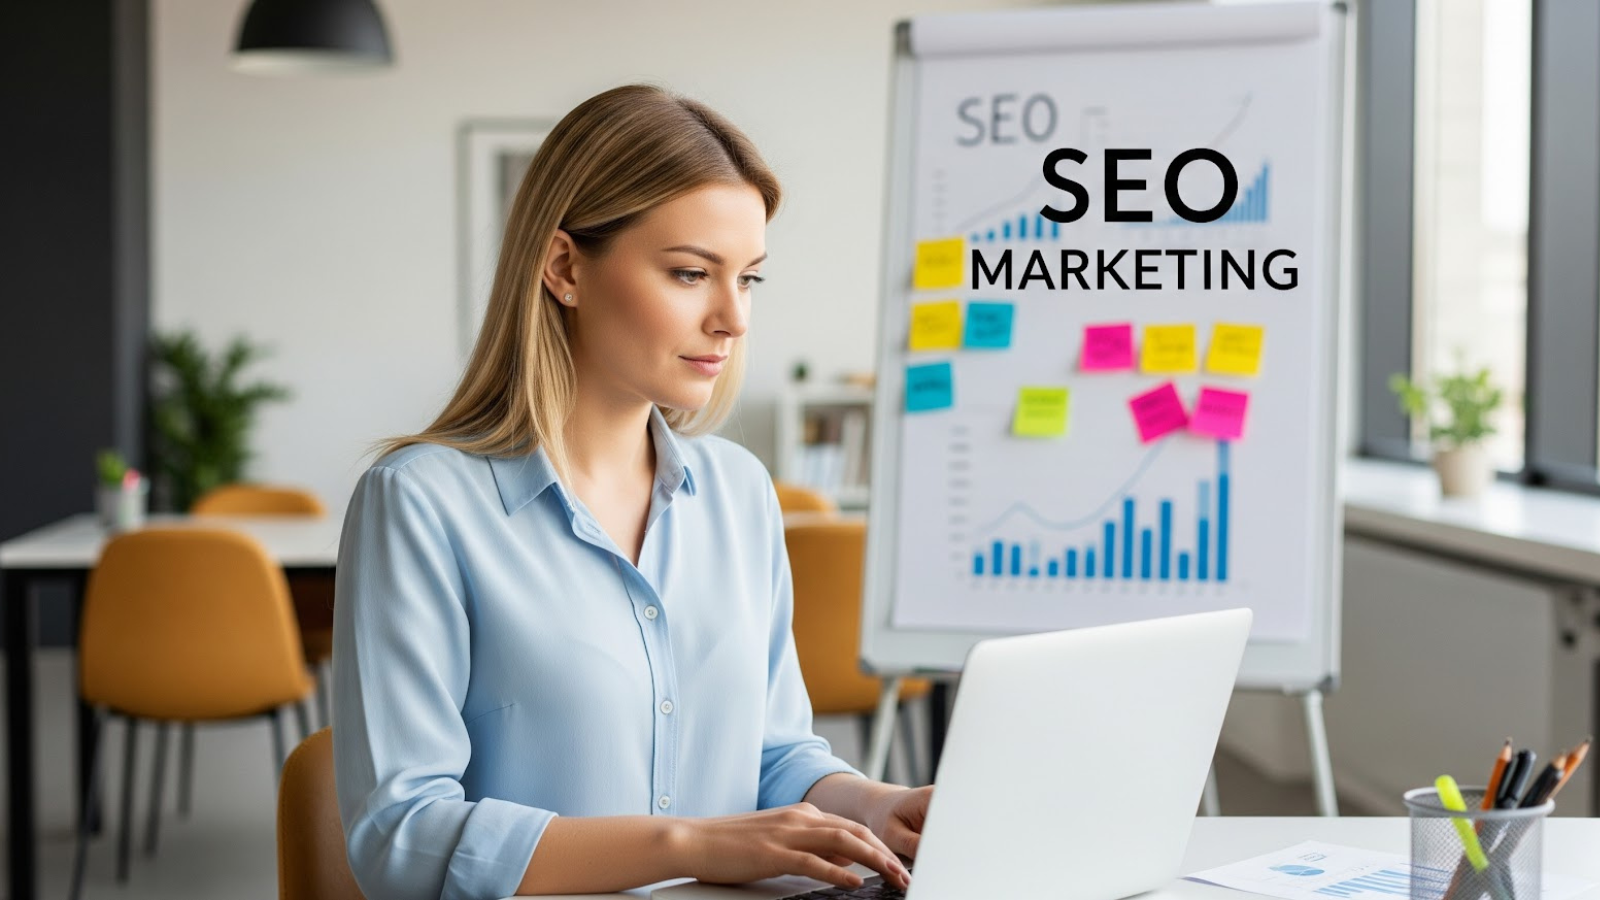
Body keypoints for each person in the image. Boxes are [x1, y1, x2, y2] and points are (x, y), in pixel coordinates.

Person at [332, 83, 931, 900]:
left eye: (749, 279)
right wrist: (689, 846)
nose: (733, 318)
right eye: (691, 274)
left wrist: (877, 806)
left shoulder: (740, 491)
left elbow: (774, 755)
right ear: (564, 267)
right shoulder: (419, 504)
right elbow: (401, 838)